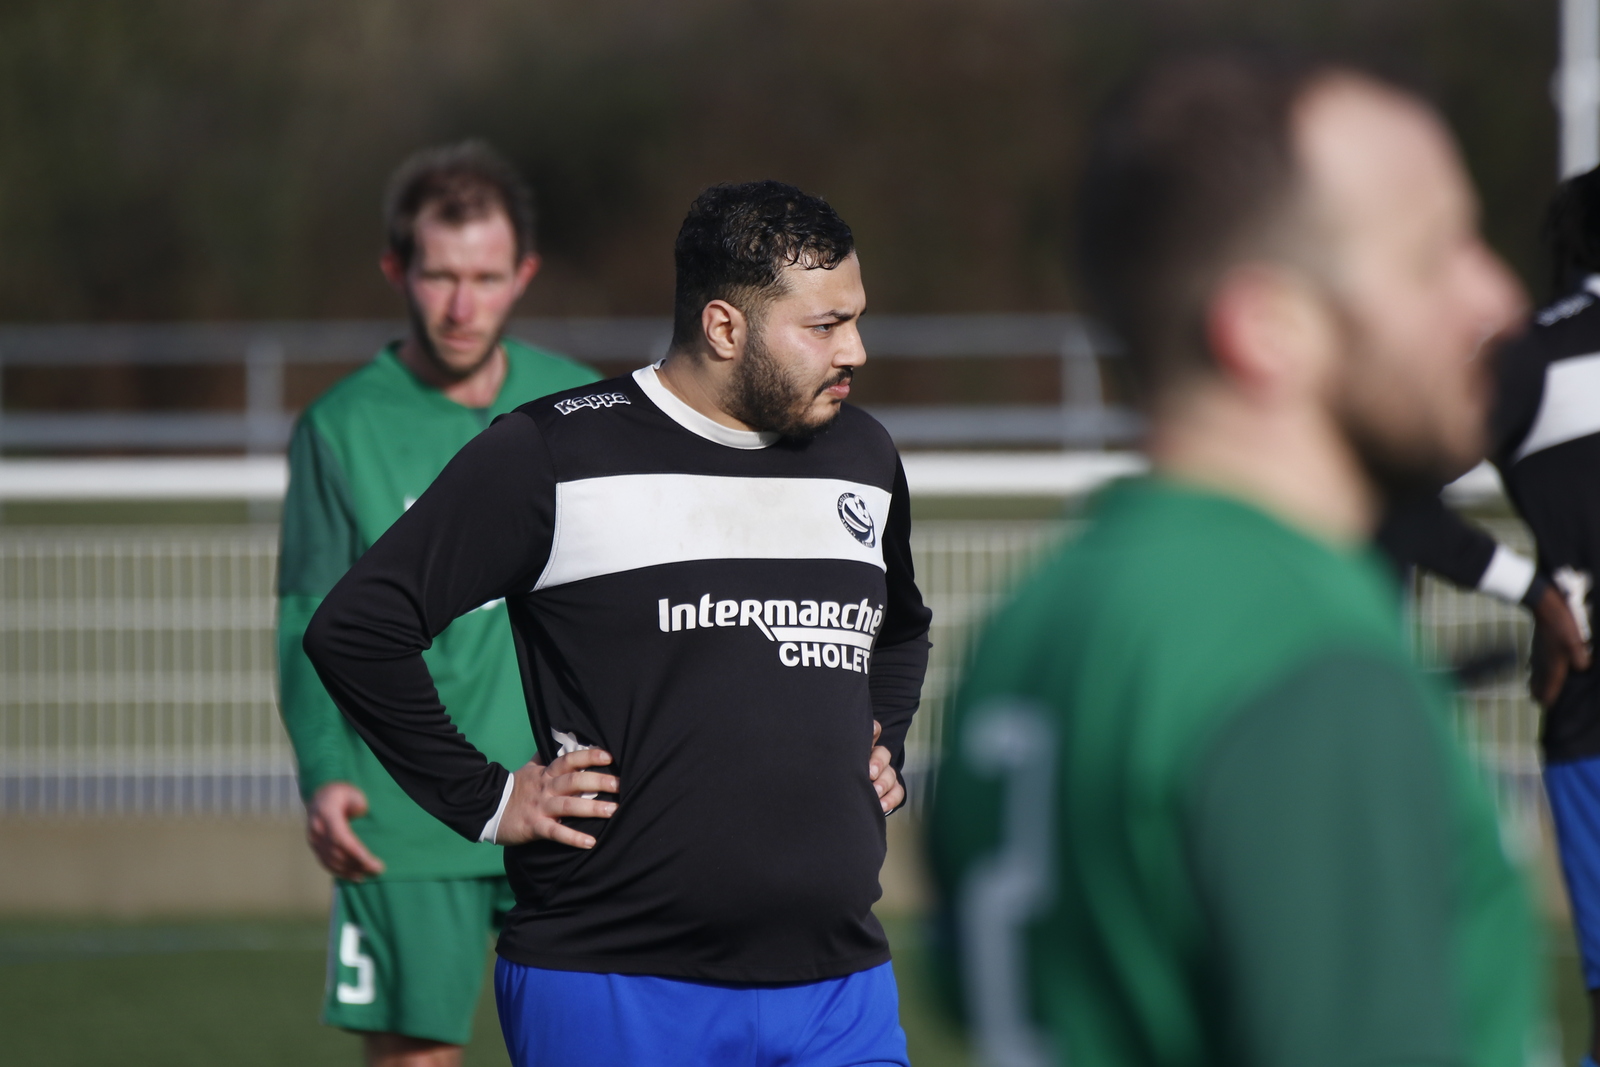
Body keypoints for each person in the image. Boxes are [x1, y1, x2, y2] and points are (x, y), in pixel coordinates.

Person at [929, 53, 1540, 1067]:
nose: (1498, 297)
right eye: (1433, 256)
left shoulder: (1033, 619)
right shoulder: (1306, 658)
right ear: (1268, 328)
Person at [302, 180, 932, 1067]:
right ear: (725, 327)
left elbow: (901, 628)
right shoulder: (554, 453)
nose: (855, 349)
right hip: (613, 980)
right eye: (825, 326)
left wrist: (884, 737)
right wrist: (488, 798)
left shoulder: (862, 454)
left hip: (840, 985)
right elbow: (358, 627)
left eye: (856, 319)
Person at [276, 141, 600, 1067]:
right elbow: (310, 614)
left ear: (523, 275)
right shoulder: (340, 427)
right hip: (407, 808)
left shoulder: (581, 404)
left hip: (571, 794)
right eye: (441, 276)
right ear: (397, 270)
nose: (463, 306)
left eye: (486, 278)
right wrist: (324, 770)